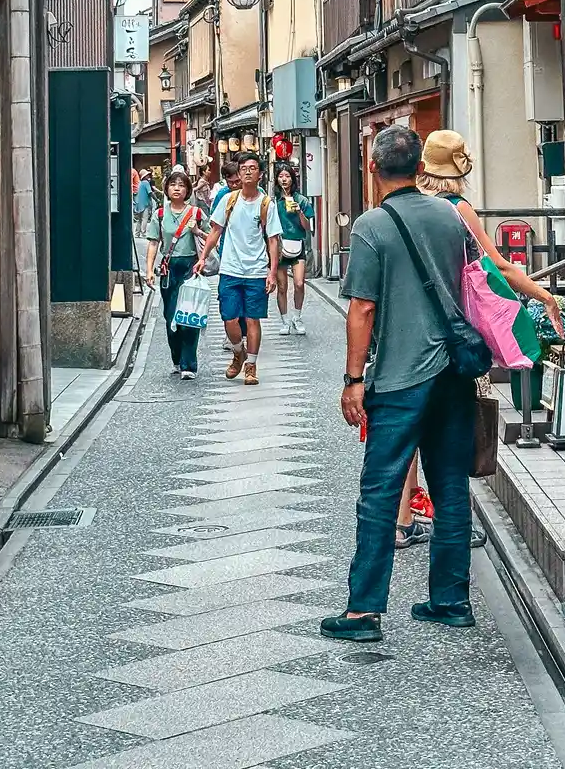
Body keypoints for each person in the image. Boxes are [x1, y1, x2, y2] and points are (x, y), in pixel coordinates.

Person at [320, 125, 475, 644]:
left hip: (400, 377)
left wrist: (352, 379)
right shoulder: (451, 217)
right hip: (453, 372)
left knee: (381, 490)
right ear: (420, 169)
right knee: (452, 487)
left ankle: (364, 612)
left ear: (372, 166)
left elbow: (362, 308)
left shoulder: (372, 225)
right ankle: (450, 601)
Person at [418, 130, 565, 340]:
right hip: (451, 314)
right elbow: (500, 266)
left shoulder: (410, 206)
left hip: (413, 314)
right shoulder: (456, 207)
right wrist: (546, 297)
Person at [194, 152, 281, 387]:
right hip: (230, 269)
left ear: (261, 174)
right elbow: (215, 231)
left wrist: (272, 272)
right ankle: (238, 351)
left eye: (253, 168)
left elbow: (273, 240)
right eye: (244, 168)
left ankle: (250, 365)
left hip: (255, 271)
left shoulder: (266, 204)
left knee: (253, 319)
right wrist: (203, 257)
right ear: (239, 173)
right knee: (229, 318)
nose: (248, 171)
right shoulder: (229, 200)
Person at [145, 167, 206, 380]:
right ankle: (177, 359)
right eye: (173, 184)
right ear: (167, 189)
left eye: (181, 185)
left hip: (190, 266)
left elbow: (211, 239)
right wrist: (149, 270)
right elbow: (154, 243)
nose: (177, 189)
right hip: (168, 269)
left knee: (189, 317)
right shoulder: (160, 214)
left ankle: (190, 364)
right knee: (170, 317)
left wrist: (198, 231)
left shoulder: (196, 213)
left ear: (188, 189)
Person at [273, 163, 313, 336]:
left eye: (287, 176)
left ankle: (297, 317)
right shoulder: (273, 201)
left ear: (292, 178)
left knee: (299, 283)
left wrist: (299, 213)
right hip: (280, 245)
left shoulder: (302, 200)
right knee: (282, 286)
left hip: (297, 244)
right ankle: (285, 321)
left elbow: (307, 226)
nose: (284, 179)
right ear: (277, 179)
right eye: (281, 176)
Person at [134, 169, 154, 239]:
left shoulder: (140, 183)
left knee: (139, 219)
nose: (148, 176)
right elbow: (150, 192)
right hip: (145, 204)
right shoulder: (146, 183)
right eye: (147, 175)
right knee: (145, 218)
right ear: (144, 176)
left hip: (139, 204)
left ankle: (137, 233)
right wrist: (156, 200)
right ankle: (143, 233)